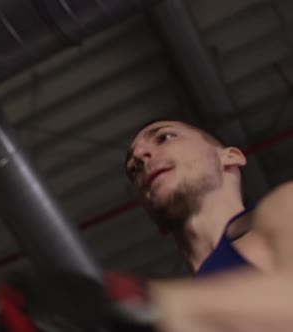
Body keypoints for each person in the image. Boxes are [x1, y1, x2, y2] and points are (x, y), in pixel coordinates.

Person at [125, 119, 293, 332]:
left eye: (164, 138)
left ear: (229, 157)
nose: (140, 156)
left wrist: (142, 301)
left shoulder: (285, 205)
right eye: (133, 170)